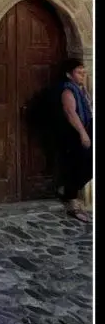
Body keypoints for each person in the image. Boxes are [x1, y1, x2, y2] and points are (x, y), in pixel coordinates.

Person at [59, 58, 93, 222]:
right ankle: (71, 200)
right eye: (79, 72)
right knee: (80, 166)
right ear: (69, 74)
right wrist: (83, 134)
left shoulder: (81, 90)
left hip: (87, 129)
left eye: (83, 71)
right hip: (75, 134)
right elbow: (71, 113)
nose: (83, 74)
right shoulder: (68, 91)